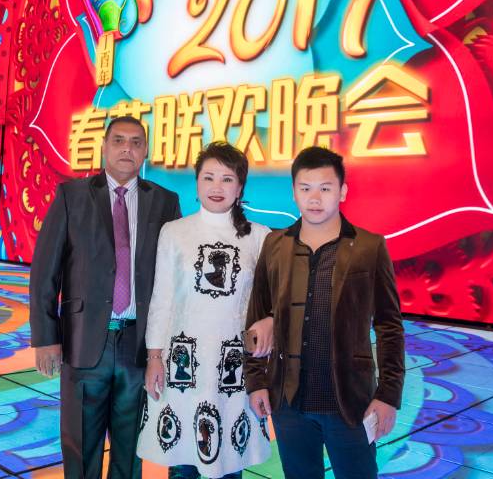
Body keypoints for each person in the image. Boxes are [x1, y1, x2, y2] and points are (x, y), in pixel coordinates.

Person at [30, 115, 181, 479]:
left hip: (139, 344)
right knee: (81, 447)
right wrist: (46, 338)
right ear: (103, 147)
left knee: (131, 451)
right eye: (119, 140)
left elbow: (174, 278)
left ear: (146, 151)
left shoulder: (165, 201)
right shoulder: (72, 196)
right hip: (82, 342)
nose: (127, 149)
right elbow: (45, 271)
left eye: (136, 142)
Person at [243, 146, 405, 479]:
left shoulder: (369, 246)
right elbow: (256, 314)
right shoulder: (275, 245)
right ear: (294, 192)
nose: (314, 198)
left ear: (342, 192)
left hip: (350, 401)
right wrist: (256, 381)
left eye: (325, 188)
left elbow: (389, 326)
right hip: (289, 402)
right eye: (305, 188)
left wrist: (388, 395)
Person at [137, 142, 273, 478]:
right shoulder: (174, 232)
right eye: (208, 177)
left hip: (233, 366)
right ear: (197, 183)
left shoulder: (260, 237)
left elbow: (269, 304)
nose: (216, 187)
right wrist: (154, 357)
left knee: (228, 463)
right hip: (183, 363)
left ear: (240, 187)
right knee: (183, 462)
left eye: (227, 179)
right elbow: (162, 299)